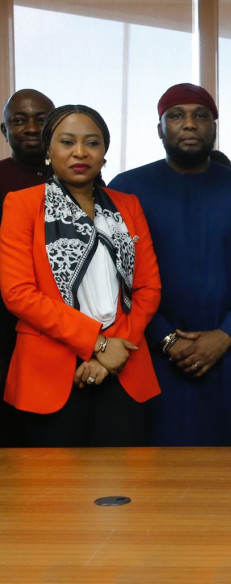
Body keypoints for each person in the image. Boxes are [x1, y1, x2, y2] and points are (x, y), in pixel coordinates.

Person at [109, 83, 231, 445]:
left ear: (213, 127)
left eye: (200, 115)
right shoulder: (125, 188)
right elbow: (118, 274)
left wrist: (225, 334)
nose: (189, 123)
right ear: (160, 129)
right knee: (155, 458)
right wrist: (166, 338)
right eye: (176, 116)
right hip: (151, 350)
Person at [0, 105, 161, 446]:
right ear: (48, 149)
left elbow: (148, 288)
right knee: (53, 479)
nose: (80, 152)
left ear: (104, 152)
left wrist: (113, 352)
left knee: (127, 477)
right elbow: (18, 293)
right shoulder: (22, 204)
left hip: (123, 364)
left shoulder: (128, 205)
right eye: (67, 142)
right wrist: (97, 344)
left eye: (92, 142)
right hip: (49, 371)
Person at [0, 89, 54, 446]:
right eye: (19, 121)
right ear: (4, 131)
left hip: (66, 324)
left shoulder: (81, 178)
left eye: (42, 119)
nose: (32, 128)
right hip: (6, 323)